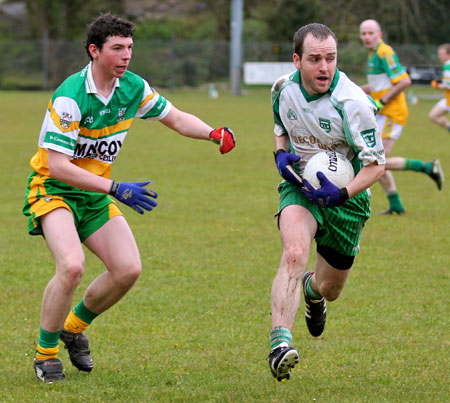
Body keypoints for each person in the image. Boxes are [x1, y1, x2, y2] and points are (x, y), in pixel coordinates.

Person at [22, 13, 235, 384]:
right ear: (94, 51)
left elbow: (175, 117)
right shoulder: (71, 96)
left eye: (130, 48)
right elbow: (56, 166)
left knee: (128, 269)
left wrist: (212, 133)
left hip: (95, 194)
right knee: (71, 266)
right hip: (54, 190)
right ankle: (46, 353)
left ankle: (72, 330)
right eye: (117, 48)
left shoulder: (132, 87)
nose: (126, 56)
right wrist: (116, 187)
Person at [268, 23, 385, 382]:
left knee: (330, 289)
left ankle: (311, 291)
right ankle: (280, 345)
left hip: (347, 201)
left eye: (330, 58)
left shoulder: (354, 104)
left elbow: (376, 165)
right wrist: (281, 156)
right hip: (301, 188)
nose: (324, 67)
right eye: (315, 59)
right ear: (297, 60)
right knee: (293, 251)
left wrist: (342, 193)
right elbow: (280, 128)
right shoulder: (282, 90)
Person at [359, 19, 444, 215]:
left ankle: (428, 167)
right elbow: (377, 87)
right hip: (383, 113)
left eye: (370, 33)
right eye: (363, 33)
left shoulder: (384, 52)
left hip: (392, 112)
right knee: (375, 160)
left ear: (379, 34)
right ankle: (396, 205)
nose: (366, 37)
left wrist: (383, 101)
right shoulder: (373, 54)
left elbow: (405, 81)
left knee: (375, 161)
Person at [429, 43, 450, 133]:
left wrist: (438, 85)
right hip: (447, 100)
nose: (439, 56)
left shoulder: (448, 66)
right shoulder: (446, 66)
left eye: (441, 54)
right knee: (433, 115)